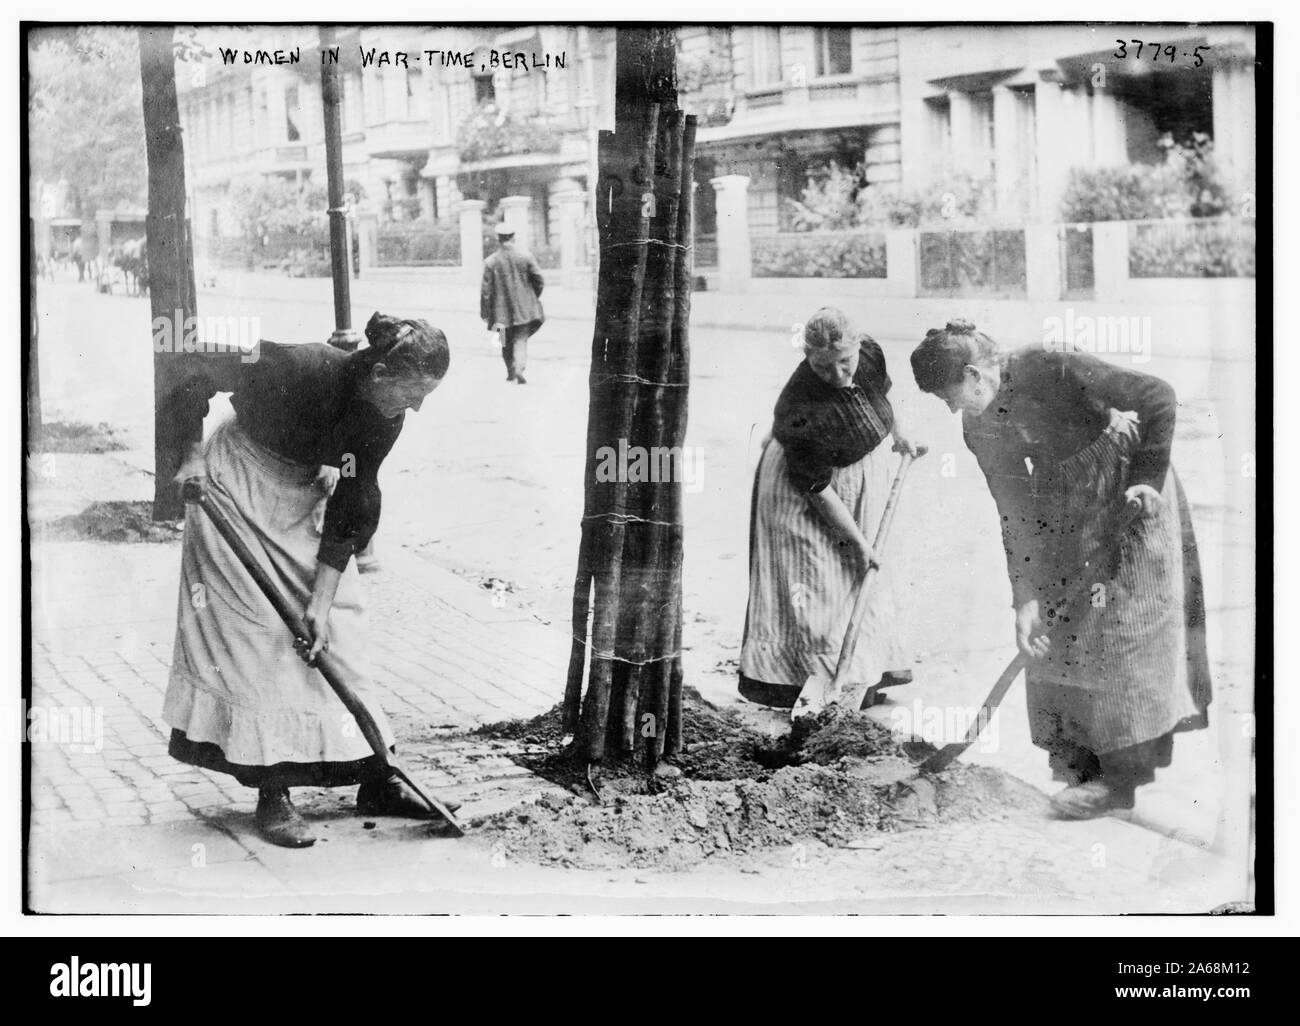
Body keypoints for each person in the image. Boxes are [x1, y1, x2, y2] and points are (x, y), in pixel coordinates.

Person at [162, 312, 452, 848]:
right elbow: (189, 370)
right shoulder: (298, 366)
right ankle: (273, 792)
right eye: (414, 393)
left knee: (338, 633)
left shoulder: (384, 417)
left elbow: (353, 499)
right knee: (262, 645)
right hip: (234, 485)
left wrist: (321, 601)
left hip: (303, 497)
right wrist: (190, 455)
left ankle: (376, 778)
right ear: (382, 374)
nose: (416, 408)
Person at [910, 319, 1212, 818]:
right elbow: (1013, 509)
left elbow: (1158, 395)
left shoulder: (1049, 365)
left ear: (972, 374)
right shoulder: (979, 425)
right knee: (1055, 634)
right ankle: (1078, 771)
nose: (952, 409)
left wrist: (1147, 479)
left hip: (1128, 496)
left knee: (1122, 634)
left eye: (949, 396)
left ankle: (1117, 785)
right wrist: (1025, 597)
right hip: (1066, 510)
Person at [739, 307, 926, 709]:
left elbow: (882, 394)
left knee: (858, 578)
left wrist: (902, 435)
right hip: (800, 494)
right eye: (824, 368)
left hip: (856, 475)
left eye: (846, 362)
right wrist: (857, 541)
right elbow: (817, 488)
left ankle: (862, 674)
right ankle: (798, 682)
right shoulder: (798, 408)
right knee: (817, 579)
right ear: (807, 357)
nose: (839, 375)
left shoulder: (871, 354)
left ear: (858, 346)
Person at [480, 222, 544, 384]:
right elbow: (539, 279)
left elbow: (486, 292)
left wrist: (485, 312)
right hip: (524, 308)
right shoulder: (526, 256)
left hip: (499, 313)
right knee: (521, 338)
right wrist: (532, 296)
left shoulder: (490, 262)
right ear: (513, 237)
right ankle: (519, 368)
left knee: (503, 341)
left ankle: (510, 371)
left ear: (498, 239)